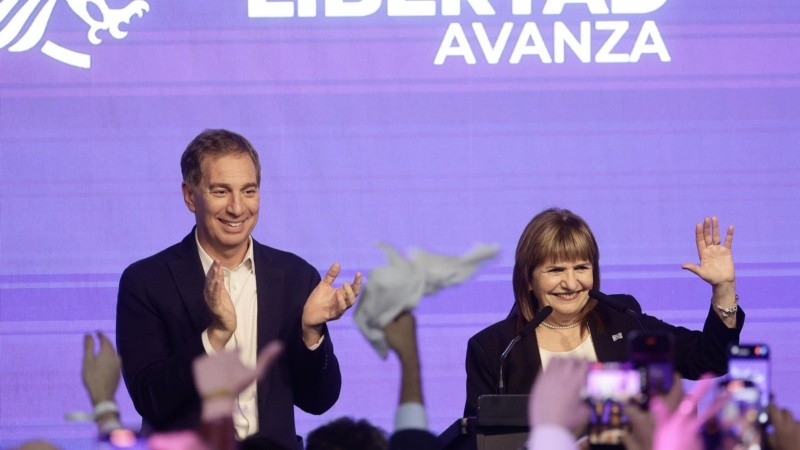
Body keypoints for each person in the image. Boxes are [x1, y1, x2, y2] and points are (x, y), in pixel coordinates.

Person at [116, 129, 361, 450]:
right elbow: (151, 401)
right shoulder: (146, 281)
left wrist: (311, 334)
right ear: (190, 196)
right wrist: (214, 336)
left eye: (249, 191)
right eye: (221, 191)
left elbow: (319, 400)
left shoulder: (295, 276)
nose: (237, 208)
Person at [464, 208, 744, 417]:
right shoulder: (496, 350)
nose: (571, 283)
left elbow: (711, 360)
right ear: (528, 280)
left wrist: (724, 288)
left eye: (581, 268)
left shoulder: (623, 321)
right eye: (556, 270)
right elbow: (477, 439)